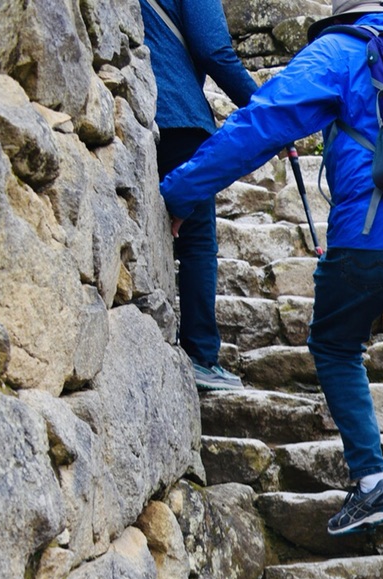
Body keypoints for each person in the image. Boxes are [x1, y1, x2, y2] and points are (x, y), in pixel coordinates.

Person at [160, 0, 383, 579]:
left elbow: (264, 123)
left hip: (375, 237)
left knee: (335, 343)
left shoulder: (341, 50)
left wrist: (179, 191)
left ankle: (372, 481)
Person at [142, 0, 259, 392]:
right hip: (180, 114)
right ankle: (200, 356)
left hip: (141, 112)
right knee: (196, 243)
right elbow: (214, 50)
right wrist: (265, 108)